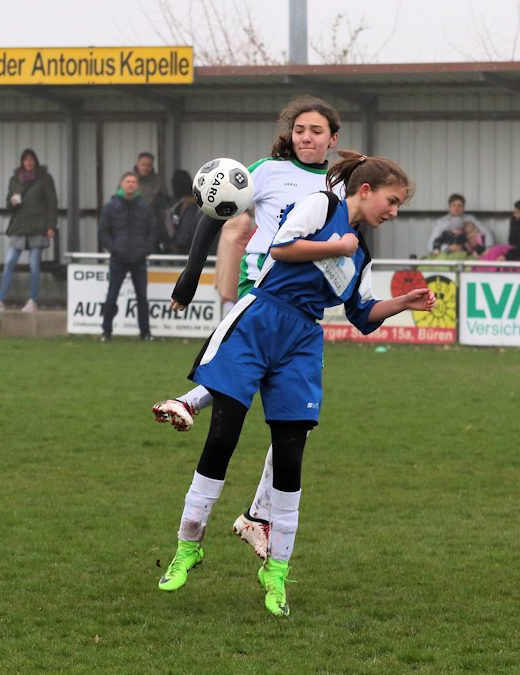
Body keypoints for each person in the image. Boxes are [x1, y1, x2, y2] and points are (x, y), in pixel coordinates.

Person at [157, 150, 435, 617]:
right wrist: (336, 247)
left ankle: (277, 573)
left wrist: (403, 302)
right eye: (392, 200)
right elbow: (281, 249)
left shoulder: (361, 253)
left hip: (303, 338)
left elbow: (362, 315)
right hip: (258, 319)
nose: (393, 211)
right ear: (364, 191)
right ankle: (188, 546)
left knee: (290, 455)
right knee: (223, 436)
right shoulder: (321, 206)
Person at [153, 96, 341, 560]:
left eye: (316, 131)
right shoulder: (267, 170)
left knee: (296, 426)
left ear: (332, 139)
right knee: (242, 381)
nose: (307, 137)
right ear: (290, 134)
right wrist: (191, 273)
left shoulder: (341, 186)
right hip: (260, 290)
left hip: (301, 308)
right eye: (300, 129)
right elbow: (214, 210)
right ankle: (192, 401)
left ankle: (257, 514)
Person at [0, 149, 57, 313]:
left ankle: (32, 301)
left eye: (31, 159)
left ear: (36, 162)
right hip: (19, 226)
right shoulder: (14, 180)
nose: (28, 163)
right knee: (10, 262)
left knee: (34, 265)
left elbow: (52, 202)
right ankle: (0, 300)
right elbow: (8, 204)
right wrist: (12, 203)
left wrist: (51, 225)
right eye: (25, 160)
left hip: (38, 226)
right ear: (22, 162)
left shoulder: (45, 179)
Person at [97, 171, 157, 341]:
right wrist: (114, 248)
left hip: (139, 259)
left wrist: (145, 249)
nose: (130, 184)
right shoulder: (111, 206)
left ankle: (145, 333)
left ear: (137, 185)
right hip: (118, 259)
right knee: (112, 296)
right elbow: (103, 232)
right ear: (121, 184)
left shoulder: (145, 207)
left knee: (142, 298)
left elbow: (153, 231)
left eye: (133, 181)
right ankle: (106, 332)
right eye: (127, 181)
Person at [428, 194, 492, 253]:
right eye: (453, 205)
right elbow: (431, 245)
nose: (456, 208)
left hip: (468, 254)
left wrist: (487, 249)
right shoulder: (442, 222)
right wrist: (447, 248)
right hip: (446, 254)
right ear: (449, 207)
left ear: (463, 208)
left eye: (459, 205)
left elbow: (486, 232)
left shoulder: (471, 219)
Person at [160, 169, 199, 255]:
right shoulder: (189, 202)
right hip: (183, 246)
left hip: (182, 248)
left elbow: (185, 228)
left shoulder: (189, 204)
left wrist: (176, 245)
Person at [134, 151, 170, 220]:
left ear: (152, 166)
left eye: (149, 165)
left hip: (152, 222)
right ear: (138, 165)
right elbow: (119, 199)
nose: (145, 168)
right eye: (143, 165)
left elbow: (165, 204)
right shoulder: (128, 180)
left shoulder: (159, 182)